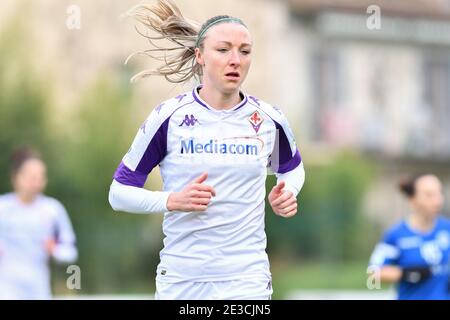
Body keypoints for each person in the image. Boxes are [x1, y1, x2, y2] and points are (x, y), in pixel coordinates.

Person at [109, 0, 305, 300]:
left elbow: (290, 169)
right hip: (183, 279)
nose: (235, 60)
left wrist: (287, 191)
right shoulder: (169, 118)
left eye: (245, 51)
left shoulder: (268, 120)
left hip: (246, 278)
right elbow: (119, 194)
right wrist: (172, 200)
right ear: (200, 55)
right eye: (223, 49)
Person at [0, 147, 78, 299]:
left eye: (41, 177)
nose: (37, 182)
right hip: (6, 289)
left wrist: (54, 250)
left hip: (38, 289)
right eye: (32, 177)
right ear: (16, 178)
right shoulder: (2, 208)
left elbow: (71, 253)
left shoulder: (53, 210)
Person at [369, 174, 450, 300]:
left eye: (439, 193)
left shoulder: (447, 229)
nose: (438, 201)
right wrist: (406, 274)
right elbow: (372, 276)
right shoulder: (396, 235)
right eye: (429, 195)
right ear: (413, 200)